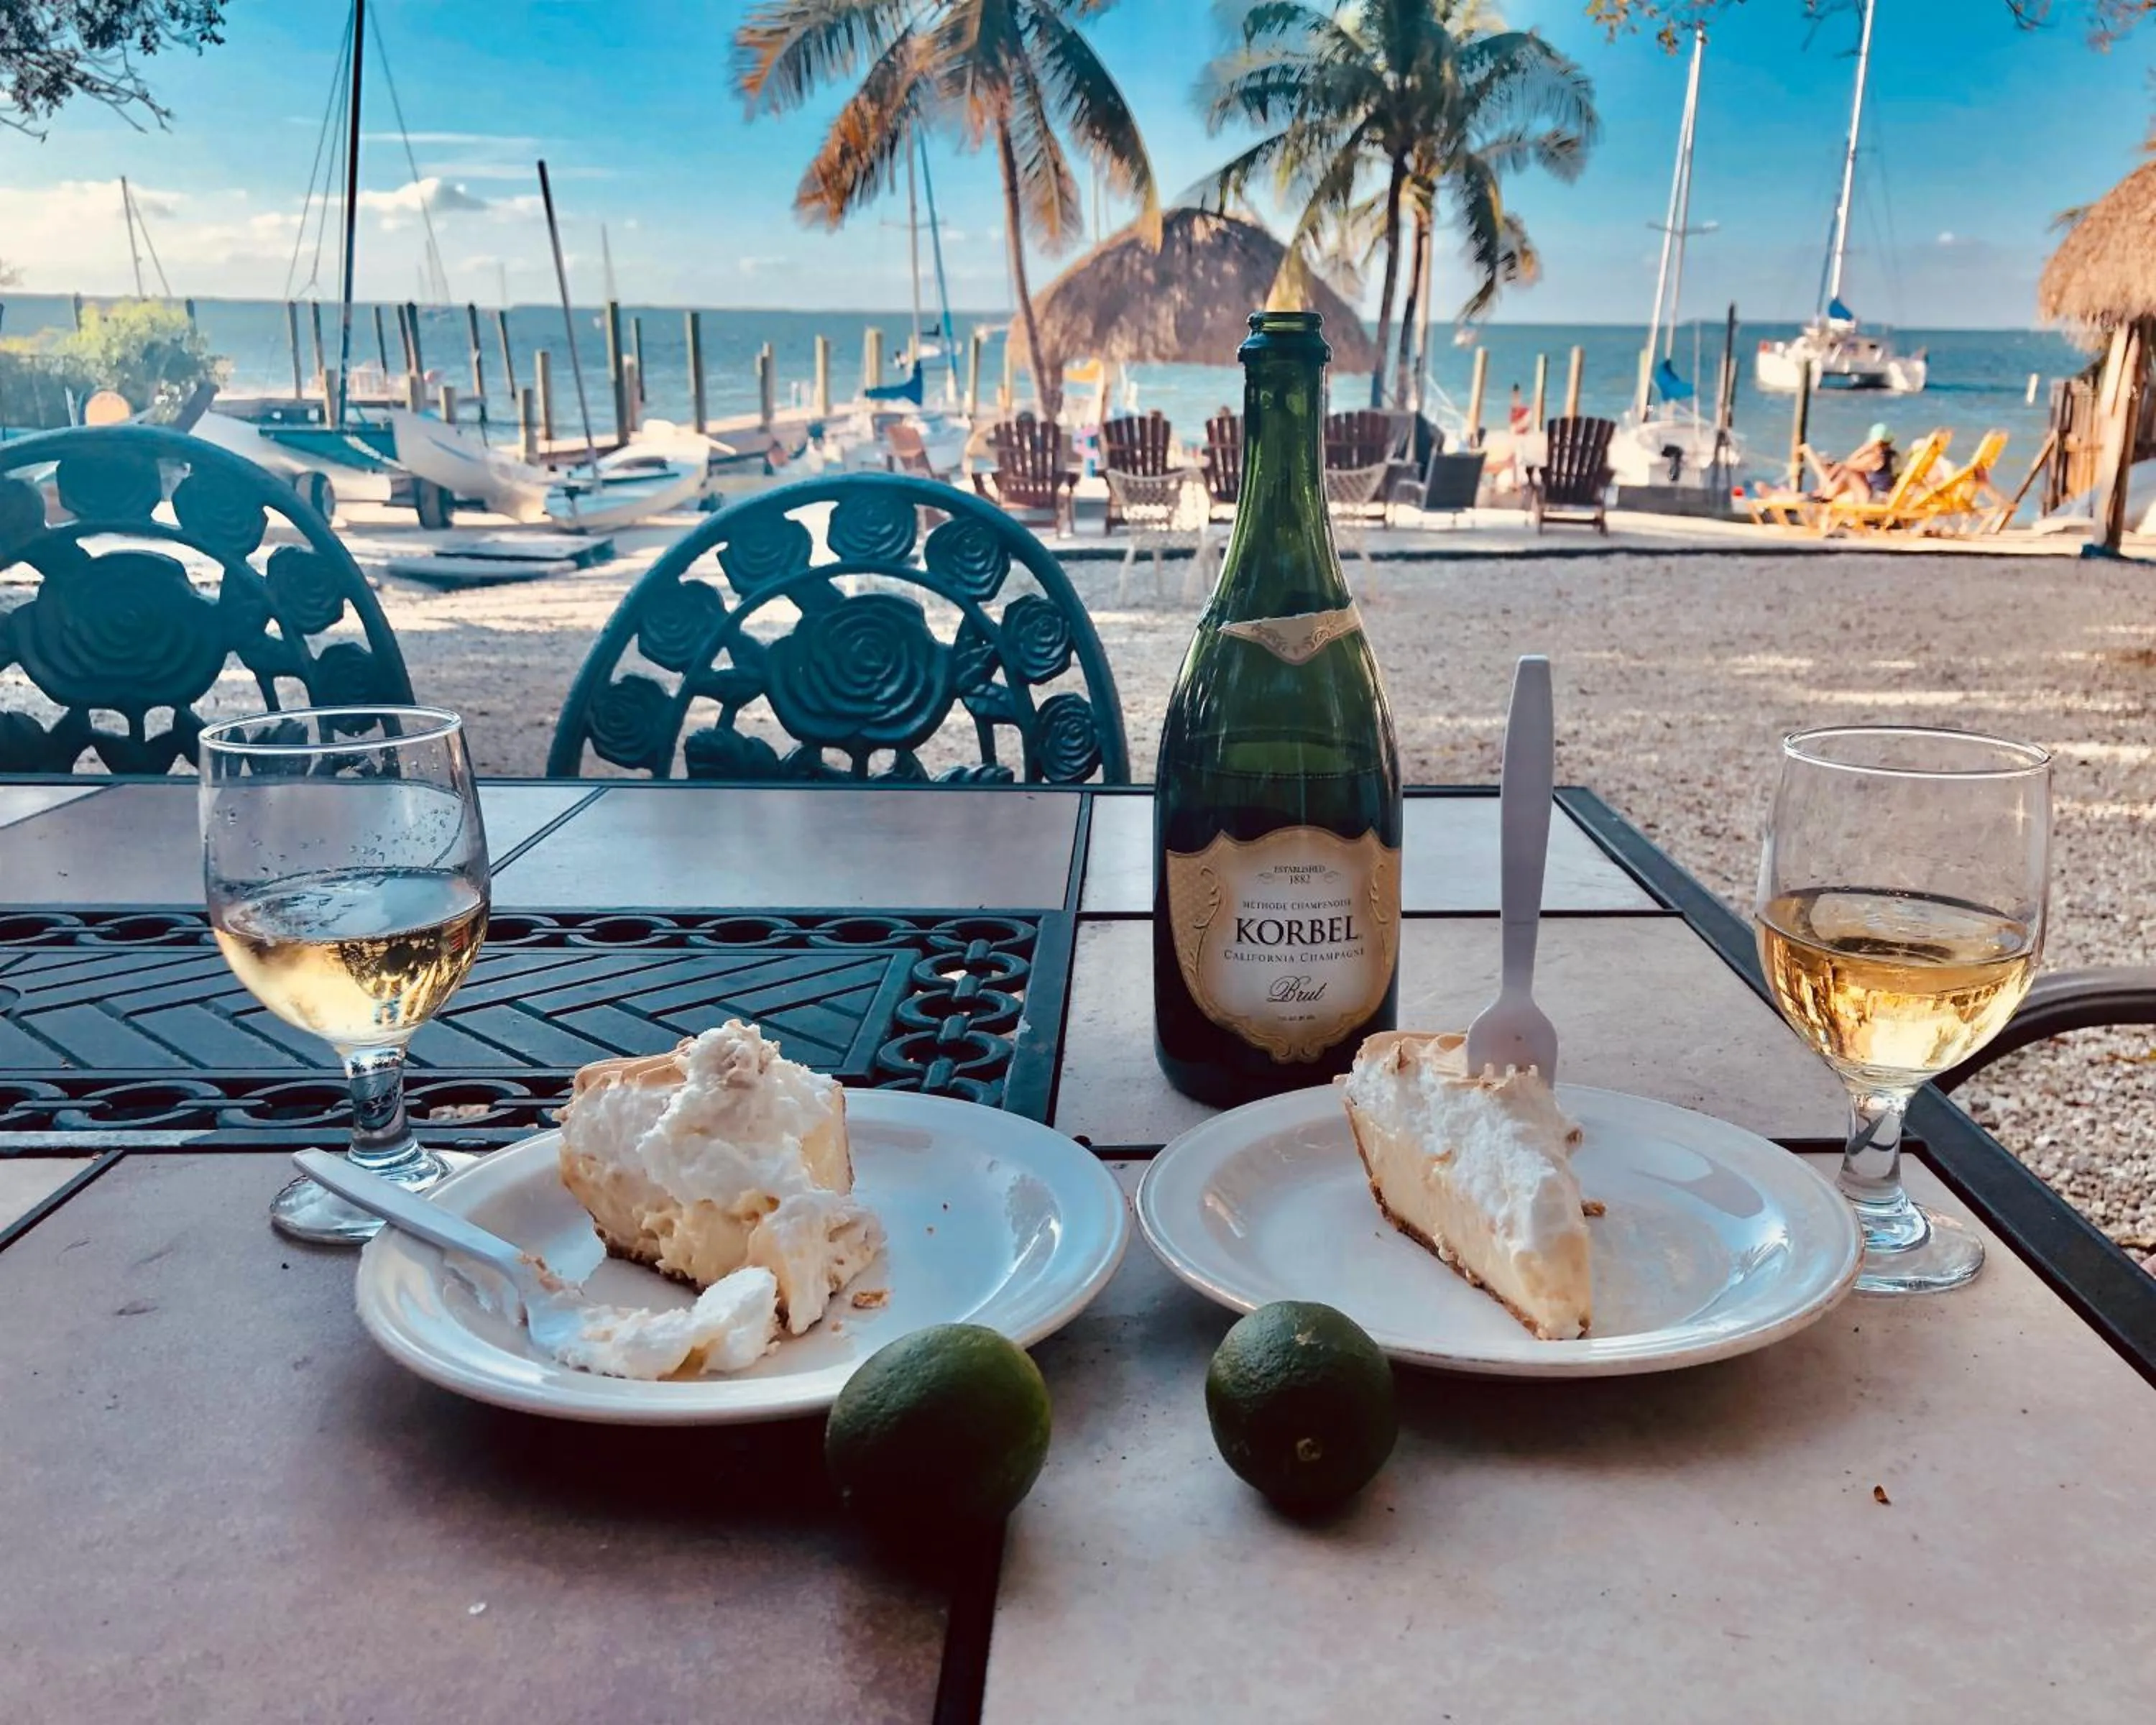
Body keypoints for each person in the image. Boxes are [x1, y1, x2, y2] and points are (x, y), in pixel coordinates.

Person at [1813, 423, 1897, 506]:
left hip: (1875, 499)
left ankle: (1824, 499)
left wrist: (1864, 448)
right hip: (1882, 496)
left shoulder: (1876, 457)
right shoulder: (1891, 455)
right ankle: (1825, 496)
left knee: (1847, 472)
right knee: (1849, 473)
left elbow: (1848, 463)